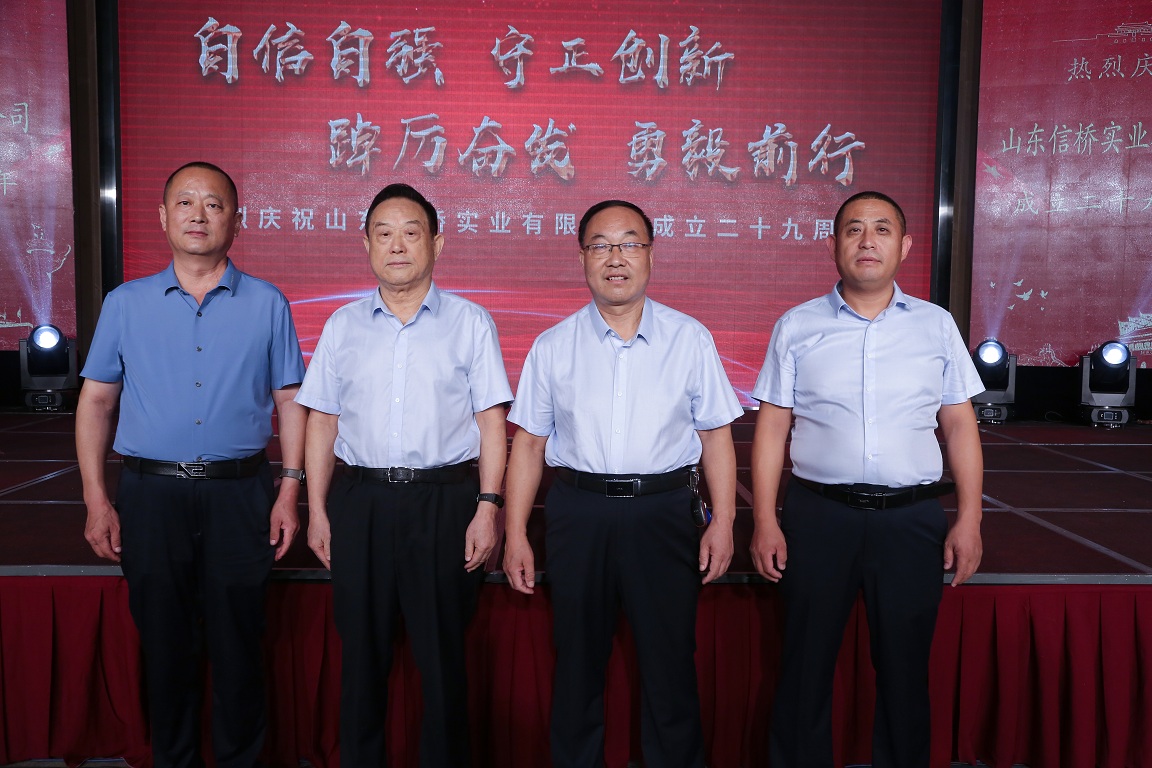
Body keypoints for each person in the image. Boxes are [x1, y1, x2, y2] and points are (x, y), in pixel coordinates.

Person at [77, 161, 307, 768]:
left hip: (241, 495)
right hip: (151, 497)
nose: (198, 215)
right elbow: (96, 402)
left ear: (237, 220)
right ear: (162, 217)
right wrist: (97, 498)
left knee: (240, 645)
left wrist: (289, 490)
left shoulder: (267, 303)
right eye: (185, 202)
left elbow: (291, 401)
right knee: (164, 647)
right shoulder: (126, 303)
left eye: (214, 204)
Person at [502, 199, 742, 768]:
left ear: (651, 255)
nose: (616, 258)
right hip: (578, 514)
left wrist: (725, 521)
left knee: (670, 668)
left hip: (664, 515)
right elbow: (528, 446)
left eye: (630, 243)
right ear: (581, 257)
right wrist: (514, 533)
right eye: (601, 245)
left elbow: (716, 437)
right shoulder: (553, 345)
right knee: (576, 665)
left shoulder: (689, 338)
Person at [750, 190, 985, 768]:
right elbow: (773, 426)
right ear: (833, 245)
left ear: (905, 246)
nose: (867, 241)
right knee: (804, 666)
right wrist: (764, 520)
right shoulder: (797, 325)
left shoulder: (936, 326)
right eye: (853, 229)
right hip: (818, 517)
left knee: (905, 672)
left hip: (910, 521)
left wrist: (970, 519)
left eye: (882, 229)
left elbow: (959, 424)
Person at [296, 183, 512, 767]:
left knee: (442, 661)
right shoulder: (342, 325)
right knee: (360, 659)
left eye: (411, 233)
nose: (397, 245)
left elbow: (492, 423)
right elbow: (322, 421)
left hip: (444, 504)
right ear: (365, 244)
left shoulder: (470, 322)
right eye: (384, 234)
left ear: (436, 244)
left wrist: (488, 507)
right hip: (360, 502)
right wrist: (318, 511)